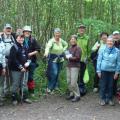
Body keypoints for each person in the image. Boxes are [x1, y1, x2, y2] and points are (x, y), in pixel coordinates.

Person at [9, 32, 32, 105]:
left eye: (22, 37)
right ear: (16, 38)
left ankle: (25, 97)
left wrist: (28, 62)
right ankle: (14, 99)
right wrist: (20, 67)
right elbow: (13, 59)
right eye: (20, 37)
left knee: (24, 83)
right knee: (16, 84)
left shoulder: (25, 47)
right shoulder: (14, 47)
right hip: (16, 70)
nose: (21, 39)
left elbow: (28, 56)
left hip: (25, 69)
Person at [97, 37, 120, 106]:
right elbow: (99, 60)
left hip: (112, 71)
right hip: (103, 70)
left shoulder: (117, 51)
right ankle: (102, 99)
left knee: (111, 85)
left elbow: (118, 62)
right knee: (103, 85)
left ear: (113, 43)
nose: (110, 42)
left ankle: (110, 99)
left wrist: (117, 72)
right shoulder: (102, 49)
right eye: (108, 41)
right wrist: (98, 71)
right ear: (106, 42)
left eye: (111, 41)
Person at [44, 28, 68, 93]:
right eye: (56, 33)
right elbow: (48, 47)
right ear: (54, 34)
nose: (58, 34)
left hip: (60, 59)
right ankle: (50, 87)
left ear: (60, 34)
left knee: (58, 73)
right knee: (54, 73)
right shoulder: (51, 41)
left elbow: (66, 44)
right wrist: (46, 53)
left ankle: (56, 86)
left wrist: (63, 49)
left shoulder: (61, 40)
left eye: (59, 33)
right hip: (53, 59)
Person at [23, 26, 40, 96]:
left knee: (30, 77)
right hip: (23, 62)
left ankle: (31, 91)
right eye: (26, 31)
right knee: (23, 76)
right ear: (23, 32)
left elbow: (38, 49)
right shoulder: (20, 39)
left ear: (30, 33)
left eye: (28, 31)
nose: (27, 32)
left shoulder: (33, 40)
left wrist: (31, 53)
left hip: (32, 61)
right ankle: (23, 91)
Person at [0, 24, 16, 96]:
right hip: (3, 59)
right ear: (4, 29)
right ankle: (4, 93)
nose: (8, 30)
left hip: (11, 60)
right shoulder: (0, 37)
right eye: (7, 28)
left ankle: (11, 92)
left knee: (12, 76)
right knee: (4, 76)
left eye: (9, 29)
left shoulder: (13, 37)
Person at [66, 35, 81, 102]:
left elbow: (77, 58)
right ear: (70, 41)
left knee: (73, 82)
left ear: (76, 40)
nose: (73, 40)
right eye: (71, 39)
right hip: (68, 66)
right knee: (68, 81)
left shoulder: (78, 48)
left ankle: (77, 95)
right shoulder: (69, 48)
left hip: (75, 66)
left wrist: (69, 57)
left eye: (74, 39)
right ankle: (72, 93)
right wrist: (65, 56)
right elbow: (67, 57)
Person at [77, 24, 89, 96]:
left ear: (84, 30)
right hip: (75, 59)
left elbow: (88, 49)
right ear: (78, 30)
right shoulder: (75, 37)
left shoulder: (87, 38)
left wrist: (88, 57)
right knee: (75, 74)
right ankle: (75, 88)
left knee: (82, 74)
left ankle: (81, 88)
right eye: (80, 28)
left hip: (83, 60)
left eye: (83, 28)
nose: (81, 29)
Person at [112, 31, 120, 95]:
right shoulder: (110, 43)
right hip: (114, 64)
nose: (116, 36)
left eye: (117, 35)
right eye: (114, 35)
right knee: (114, 77)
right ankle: (113, 91)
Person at [0, 36, 6, 106]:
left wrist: (4, 67)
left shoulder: (2, 43)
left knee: (1, 83)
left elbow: (3, 56)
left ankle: (1, 98)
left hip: (0, 65)